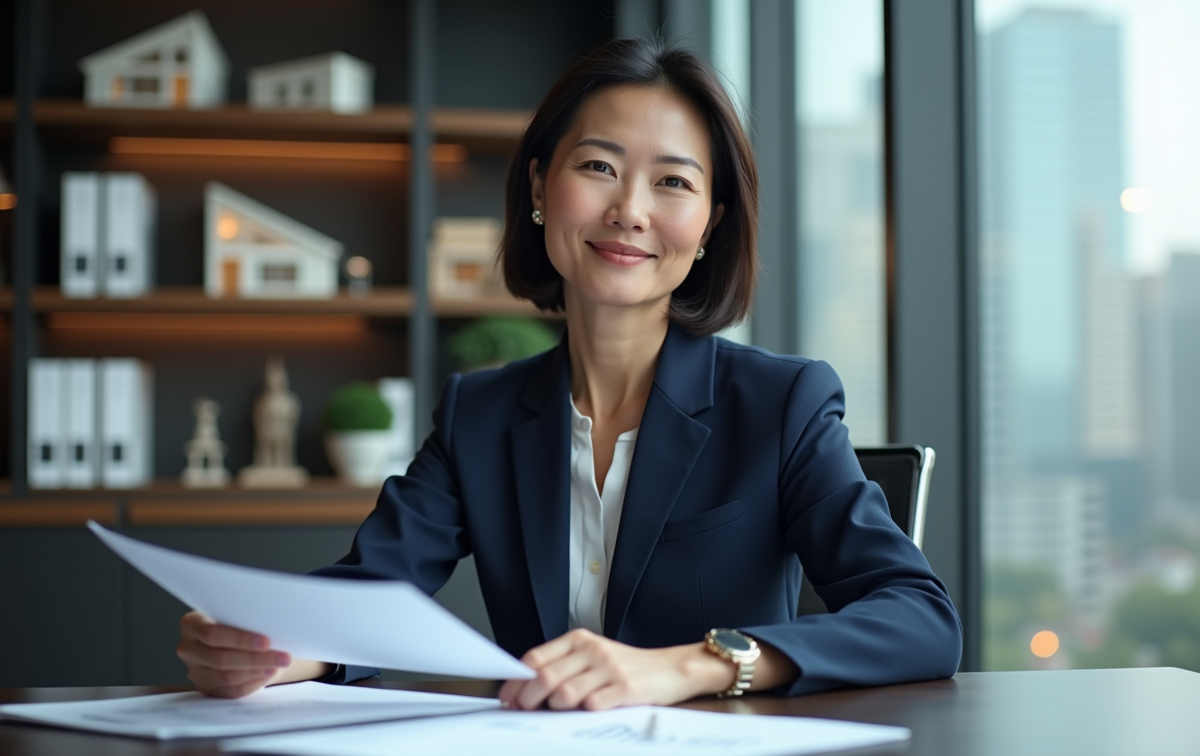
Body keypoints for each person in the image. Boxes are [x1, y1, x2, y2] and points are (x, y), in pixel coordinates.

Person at [177, 38, 962, 708]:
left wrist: (683, 668)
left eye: (674, 182)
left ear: (710, 226)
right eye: (598, 166)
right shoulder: (478, 414)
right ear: (540, 187)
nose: (630, 210)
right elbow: (378, 592)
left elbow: (920, 617)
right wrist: (274, 649)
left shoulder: (782, 404)